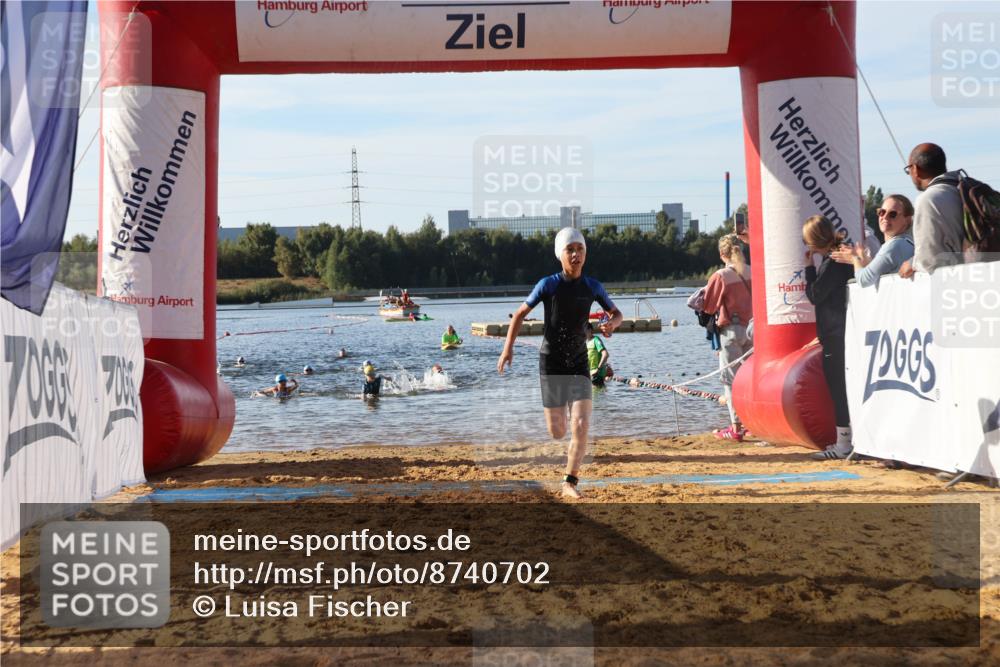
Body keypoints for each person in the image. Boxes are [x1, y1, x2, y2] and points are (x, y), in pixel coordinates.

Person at [497, 227, 623, 499]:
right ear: (560, 254)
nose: (576, 254)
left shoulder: (592, 286)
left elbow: (617, 313)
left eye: (580, 249)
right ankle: (566, 413)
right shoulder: (548, 284)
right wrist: (508, 349)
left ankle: (570, 483)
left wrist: (612, 323)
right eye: (570, 249)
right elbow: (519, 315)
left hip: (579, 362)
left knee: (580, 426)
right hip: (552, 362)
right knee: (557, 432)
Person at [802, 215, 854, 460]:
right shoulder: (839, 258)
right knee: (844, 388)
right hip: (842, 331)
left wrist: (809, 268)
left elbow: (815, 295)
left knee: (839, 389)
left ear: (813, 241)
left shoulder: (833, 262)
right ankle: (848, 439)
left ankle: (843, 443)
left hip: (836, 333)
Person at [702, 234, 754, 441]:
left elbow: (708, 306)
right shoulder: (752, 271)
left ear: (721, 254)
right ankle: (753, 423)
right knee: (750, 379)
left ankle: (736, 428)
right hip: (752, 330)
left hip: (731, 330)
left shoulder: (721, 275)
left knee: (730, 381)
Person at [898, 143, 965, 277]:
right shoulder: (963, 189)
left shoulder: (928, 199)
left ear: (915, 169)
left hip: (959, 284)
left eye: (908, 170)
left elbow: (929, 259)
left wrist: (912, 264)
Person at [831, 194, 914, 287]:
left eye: (892, 214)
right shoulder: (907, 242)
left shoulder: (894, 245)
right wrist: (862, 259)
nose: (885, 217)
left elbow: (863, 280)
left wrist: (855, 259)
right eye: (882, 212)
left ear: (907, 220)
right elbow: (880, 272)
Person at [585, 322, 610, 387]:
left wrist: (598, 369)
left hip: (597, 374)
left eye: (585, 330)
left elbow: (605, 354)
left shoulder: (596, 340)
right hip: (590, 373)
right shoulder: (585, 342)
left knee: (597, 394)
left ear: (590, 330)